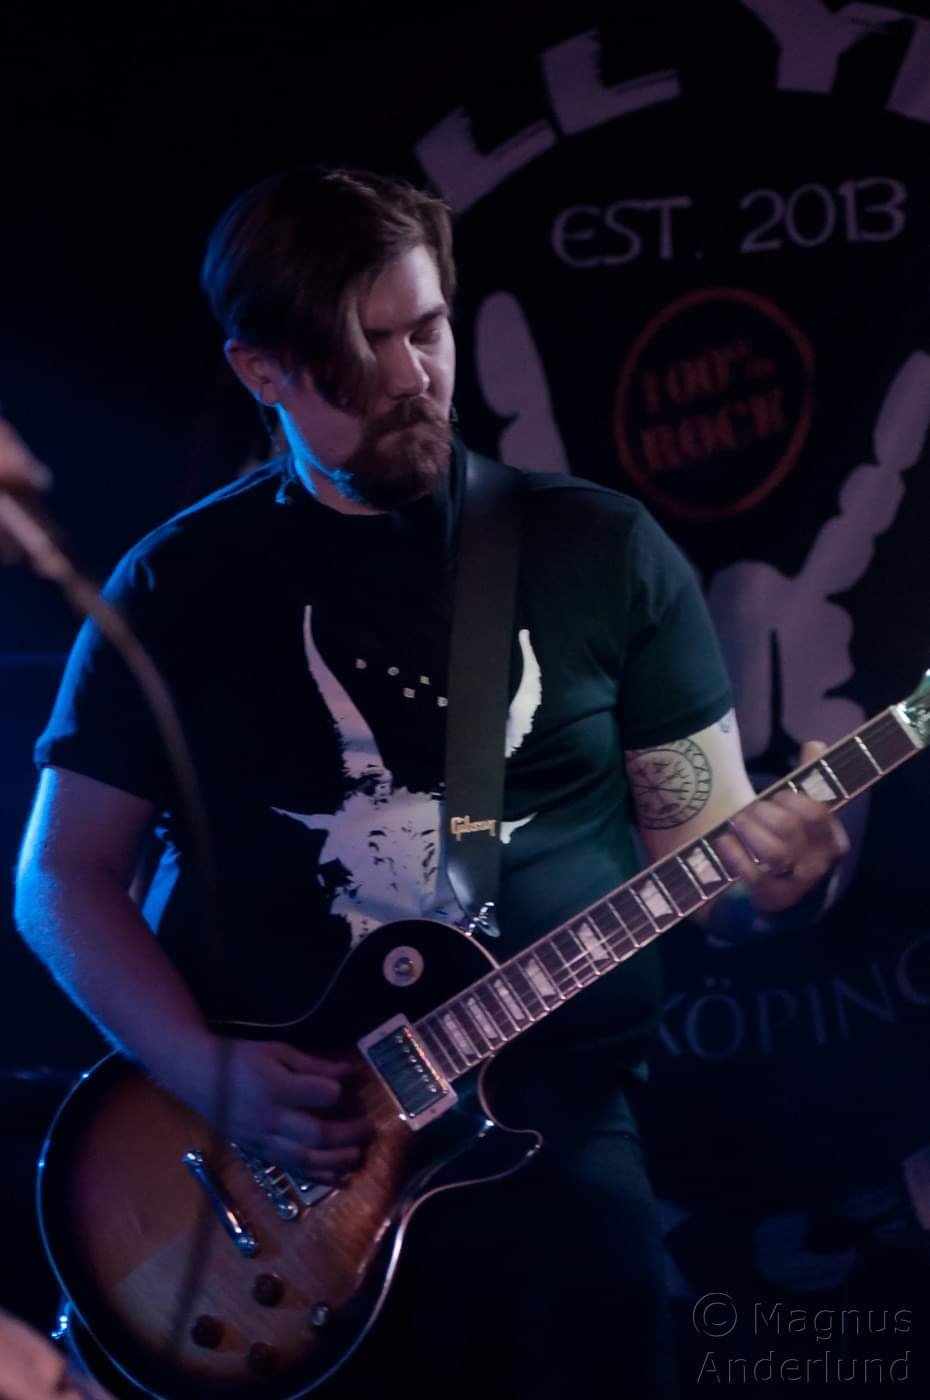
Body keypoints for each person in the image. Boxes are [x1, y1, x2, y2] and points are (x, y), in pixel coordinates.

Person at [13, 167, 848, 1399]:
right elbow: (60, 878)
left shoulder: (596, 548)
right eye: (362, 350)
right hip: (270, 1169)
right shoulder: (178, 584)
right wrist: (202, 1068)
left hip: (552, 1160)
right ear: (260, 369)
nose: (413, 376)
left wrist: (786, 876)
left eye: (429, 328)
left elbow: (712, 861)